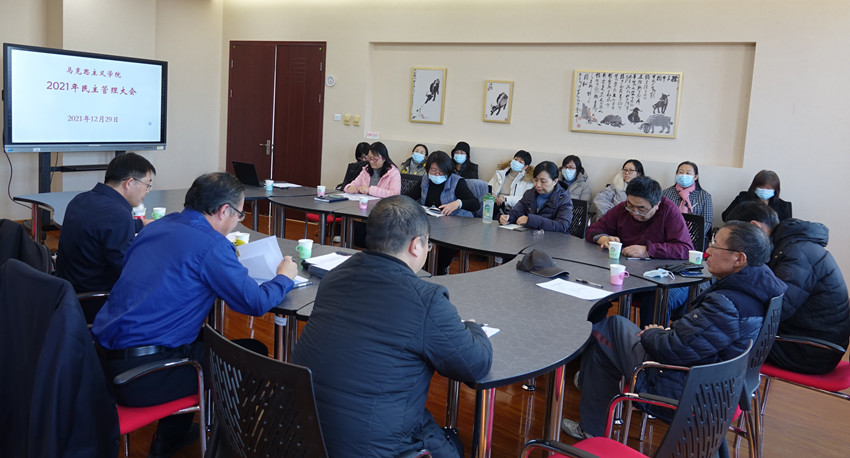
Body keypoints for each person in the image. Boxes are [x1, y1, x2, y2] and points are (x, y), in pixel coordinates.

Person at [92, 172, 299, 458]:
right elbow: (255, 302)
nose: (237, 221)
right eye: (239, 214)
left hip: (101, 362)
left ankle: (171, 437)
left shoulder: (157, 227)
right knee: (252, 354)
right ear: (224, 210)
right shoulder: (211, 245)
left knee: (202, 339)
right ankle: (232, 445)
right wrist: (284, 277)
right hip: (141, 377)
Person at [292, 195, 493, 457]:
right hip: (371, 447)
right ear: (416, 245)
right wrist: (474, 329)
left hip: (301, 435)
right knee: (453, 447)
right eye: (428, 244)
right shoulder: (426, 299)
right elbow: (474, 364)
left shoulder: (335, 276)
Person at [562, 222, 787, 439]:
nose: (707, 251)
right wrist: (669, 332)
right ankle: (589, 394)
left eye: (715, 246)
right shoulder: (761, 286)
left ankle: (590, 422)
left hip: (689, 386)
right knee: (613, 330)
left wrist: (653, 334)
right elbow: (698, 338)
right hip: (719, 380)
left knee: (606, 331)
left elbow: (672, 350)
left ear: (739, 258)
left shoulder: (729, 304)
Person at [726, 202, 850, 374]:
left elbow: (778, 310)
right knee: (724, 327)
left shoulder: (797, 253)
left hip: (811, 350)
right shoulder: (791, 247)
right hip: (810, 341)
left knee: (725, 335)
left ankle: (717, 388)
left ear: (755, 227)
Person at [586, 176, 693, 324]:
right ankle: (595, 333)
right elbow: (593, 229)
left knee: (654, 301)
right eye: (630, 205)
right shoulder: (623, 209)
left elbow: (685, 249)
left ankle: (649, 338)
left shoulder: (669, 211)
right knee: (594, 285)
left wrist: (648, 250)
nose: (634, 212)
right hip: (630, 274)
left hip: (666, 279)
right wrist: (603, 238)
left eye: (641, 209)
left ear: (657, 204)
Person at [56, 152, 156, 294]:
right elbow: (128, 271)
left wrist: (141, 224)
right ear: (129, 183)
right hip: (96, 296)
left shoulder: (81, 199)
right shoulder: (118, 214)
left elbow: (101, 226)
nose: (147, 191)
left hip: (68, 289)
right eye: (147, 185)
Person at [405, 151, 480, 275]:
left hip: (454, 228)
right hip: (431, 224)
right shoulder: (425, 180)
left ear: (448, 171)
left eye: (441, 171)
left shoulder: (457, 182)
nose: (437, 174)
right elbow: (409, 197)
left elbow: (475, 203)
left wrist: (458, 203)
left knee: (441, 254)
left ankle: (440, 271)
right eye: (433, 170)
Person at [499, 161, 573, 233]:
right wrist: (508, 217)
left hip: (554, 239)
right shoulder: (530, 193)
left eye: (543, 181)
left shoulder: (563, 198)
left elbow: (563, 225)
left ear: (555, 181)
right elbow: (517, 211)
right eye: (535, 180)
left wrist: (531, 220)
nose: (538, 185)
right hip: (530, 237)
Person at [661, 161, 713, 243]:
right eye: (681, 172)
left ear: (695, 177)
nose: (684, 175)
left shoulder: (705, 196)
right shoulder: (665, 194)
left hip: (694, 238)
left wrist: (693, 236)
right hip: (668, 236)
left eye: (688, 173)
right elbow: (660, 216)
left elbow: (707, 221)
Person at [721, 169, 792, 222]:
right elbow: (726, 217)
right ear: (754, 187)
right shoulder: (742, 198)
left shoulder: (783, 207)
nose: (764, 190)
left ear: (775, 189)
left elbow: (786, 230)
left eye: (768, 188)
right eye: (761, 187)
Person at [488, 150, 534, 217]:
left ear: (525, 167)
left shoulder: (527, 180)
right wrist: (492, 194)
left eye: (520, 162)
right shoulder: (500, 174)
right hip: (493, 205)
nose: (516, 162)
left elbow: (525, 199)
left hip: (511, 209)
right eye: (515, 159)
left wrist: (506, 199)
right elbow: (489, 187)